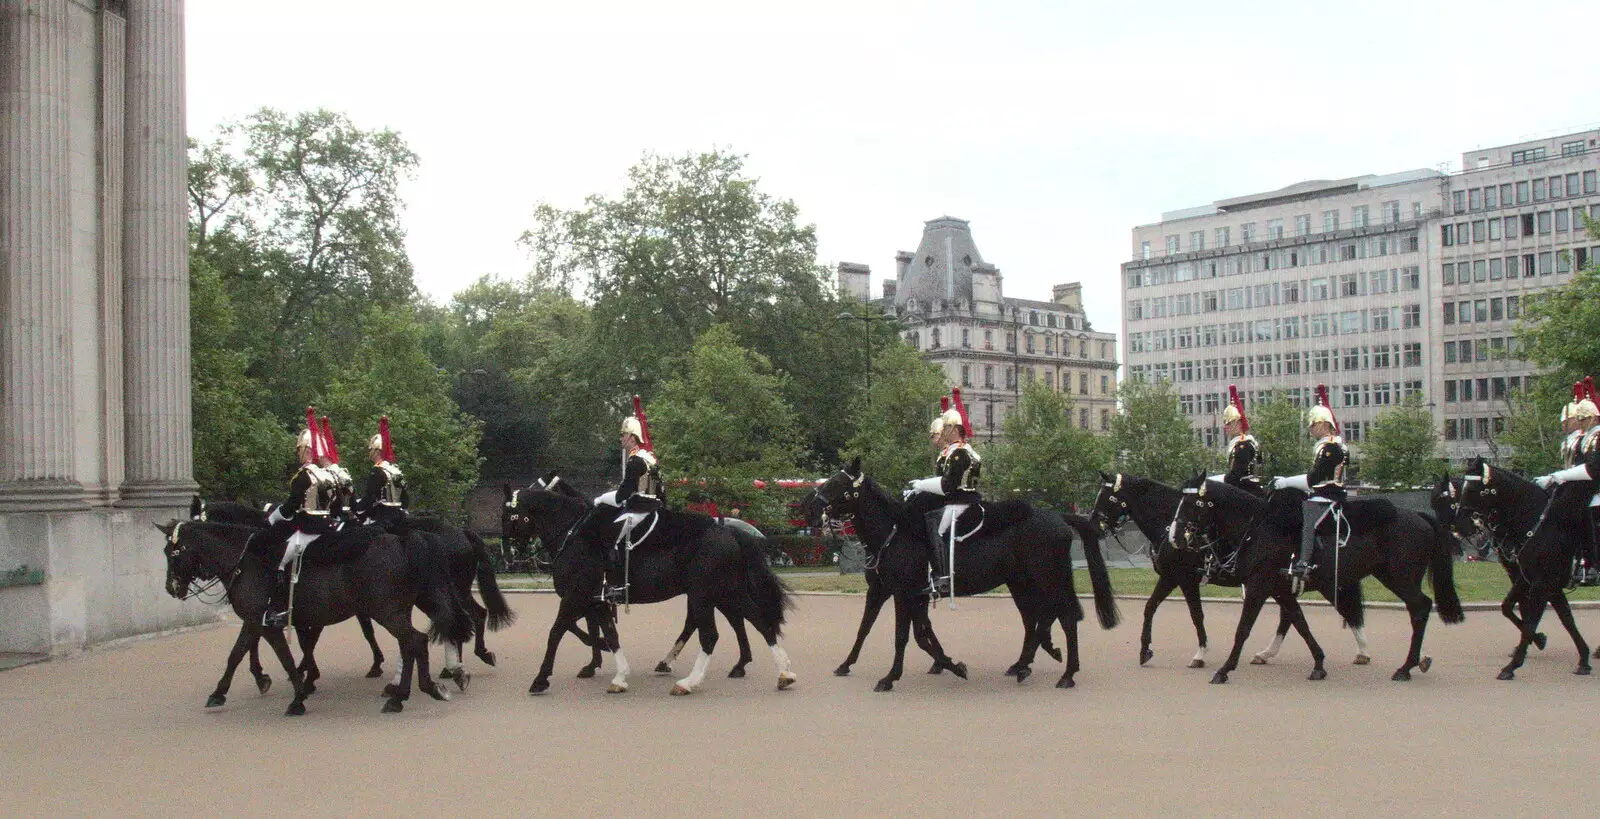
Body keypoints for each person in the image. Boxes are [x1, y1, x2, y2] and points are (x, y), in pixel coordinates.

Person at [262, 408, 340, 628]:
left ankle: (277, 610)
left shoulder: (304, 476)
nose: (298, 453)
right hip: (328, 527)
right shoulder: (328, 475)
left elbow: (289, 508)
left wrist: (272, 518)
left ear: (305, 449)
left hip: (307, 530)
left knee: (278, 561)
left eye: (299, 449)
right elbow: (334, 505)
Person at [1273, 385, 1348, 588]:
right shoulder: (1328, 445)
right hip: (1323, 492)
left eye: (1313, 425)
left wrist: (1287, 482)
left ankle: (1304, 563)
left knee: (1307, 518)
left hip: (1328, 496)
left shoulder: (1330, 448)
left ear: (1324, 424)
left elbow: (1314, 479)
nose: (1310, 429)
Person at [909, 389, 981, 597]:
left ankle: (942, 578)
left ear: (952, 429)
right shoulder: (958, 451)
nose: (943, 433)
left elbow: (949, 485)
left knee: (936, 529)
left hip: (961, 499)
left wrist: (922, 485)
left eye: (946, 428)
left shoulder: (960, 453)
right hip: (957, 499)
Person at [597, 398, 663, 604]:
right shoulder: (650, 457)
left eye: (623, 435)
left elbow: (622, 495)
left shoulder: (635, 460)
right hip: (653, 506)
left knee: (610, 536)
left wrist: (599, 500)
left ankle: (616, 586)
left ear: (633, 438)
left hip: (639, 508)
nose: (621, 439)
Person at [1543, 377, 1600, 586]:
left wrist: (1562, 476)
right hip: (1583, 487)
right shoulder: (1585, 439)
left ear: (1592, 418)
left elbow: (1592, 468)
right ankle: (1579, 564)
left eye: (1583, 419)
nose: (1579, 423)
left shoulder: (1596, 437)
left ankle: (1590, 565)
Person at [354, 415, 409, 527]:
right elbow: (405, 499)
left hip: (382, 517)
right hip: (399, 515)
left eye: (370, 450)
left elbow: (369, 498)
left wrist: (356, 508)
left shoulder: (377, 471)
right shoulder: (395, 470)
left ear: (375, 451)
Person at [1214, 384, 1263, 495]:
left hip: (1247, 493)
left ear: (1238, 422)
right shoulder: (1242, 443)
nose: (1225, 426)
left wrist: (1213, 481)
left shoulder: (1243, 446)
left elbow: (1236, 476)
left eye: (1229, 423)